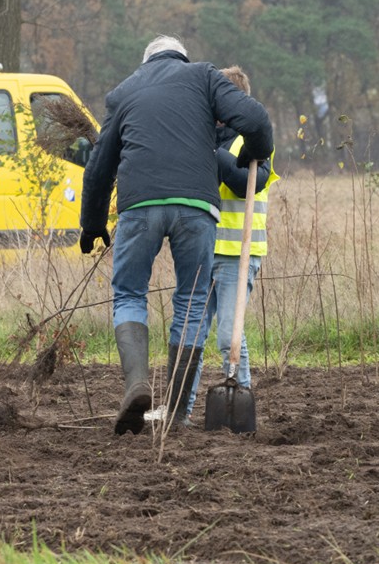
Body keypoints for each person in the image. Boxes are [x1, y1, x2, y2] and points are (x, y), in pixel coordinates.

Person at [79, 35, 273, 436]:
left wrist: (93, 223)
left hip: (139, 205)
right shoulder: (203, 76)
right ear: (182, 57)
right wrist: (252, 151)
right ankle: (178, 412)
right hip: (196, 208)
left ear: (145, 62)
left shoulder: (125, 90)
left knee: (130, 294)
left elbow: (99, 166)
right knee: (191, 301)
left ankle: (137, 384)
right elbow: (255, 121)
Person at [181, 66, 277, 425]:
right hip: (203, 250)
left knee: (228, 335)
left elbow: (242, 183)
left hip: (238, 252)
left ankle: (241, 403)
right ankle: (183, 409)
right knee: (192, 334)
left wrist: (211, 153)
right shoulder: (204, 138)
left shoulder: (252, 141)